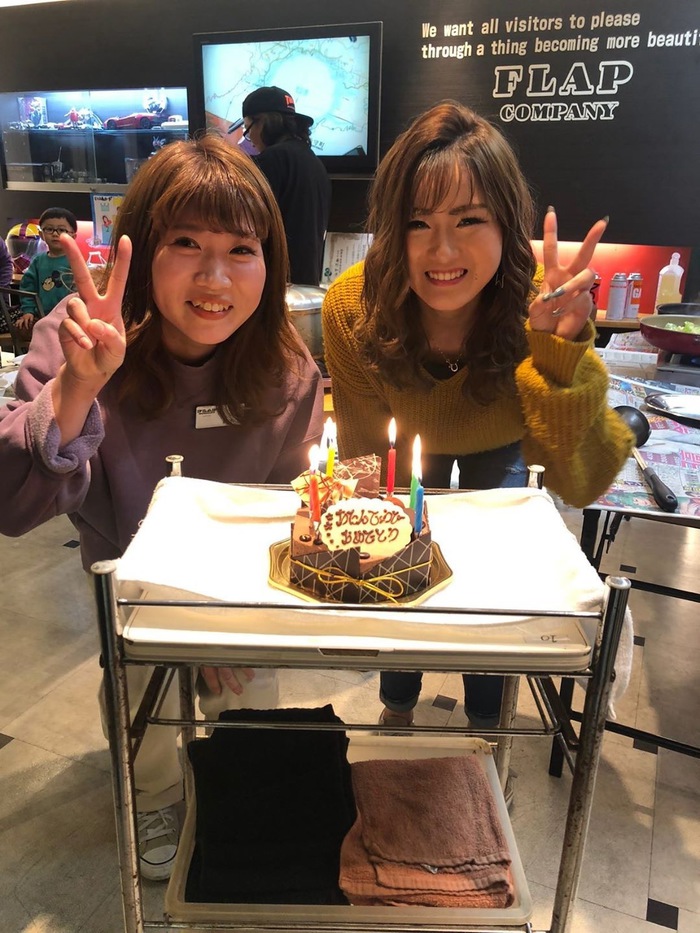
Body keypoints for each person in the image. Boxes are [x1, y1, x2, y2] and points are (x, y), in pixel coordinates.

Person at [0, 135, 324, 880]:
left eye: (241, 249)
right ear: (142, 250)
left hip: (237, 588)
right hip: (128, 581)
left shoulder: (284, 367)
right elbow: (12, 503)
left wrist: (220, 618)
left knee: (250, 690)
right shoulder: (77, 336)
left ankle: (239, 786)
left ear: (269, 261)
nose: (215, 276)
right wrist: (79, 386)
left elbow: (286, 509)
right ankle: (153, 792)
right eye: (185, 243)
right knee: (140, 692)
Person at [322, 101, 634, 736]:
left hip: (502, 445)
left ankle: (489, 720)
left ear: (507, 223)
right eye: (417, 223)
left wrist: (557, 354)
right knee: (398, 559)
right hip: (405, 449)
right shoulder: (353, 306)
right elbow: (364, 461)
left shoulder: (542, 305)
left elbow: (580, 481)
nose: (442, 250)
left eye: (469, 220)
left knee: (497, 578)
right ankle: (397, 704)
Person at [241, 85, 331, 286]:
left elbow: (250, 228)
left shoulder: (271, 161)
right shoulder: (314, 162)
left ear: (261, 122)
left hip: (277, 282)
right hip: (307, 281)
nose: (250, 139)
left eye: (248, 128)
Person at [16, 207, 78, 335]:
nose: (55, 234)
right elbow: (27, 288)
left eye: (62, 230)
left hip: (68, 318)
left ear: (73, 235)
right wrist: (28, 311)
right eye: (49, 229)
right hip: (41, 316)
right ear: (41, 235)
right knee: (22, 329)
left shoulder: (76, 261)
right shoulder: (38, 261)